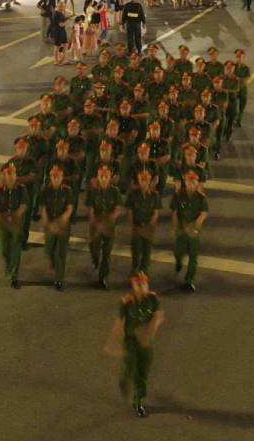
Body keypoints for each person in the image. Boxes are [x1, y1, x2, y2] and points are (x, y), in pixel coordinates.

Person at [107, 272, 164, 418]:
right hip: (130, 341)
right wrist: (114, 342)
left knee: (142, 372)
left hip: (145, 342)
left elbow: (158, 317)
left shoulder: (152, 299)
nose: (143, 286)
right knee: (129, 366)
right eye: (139, 284)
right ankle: (124, 380)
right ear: (133, 285)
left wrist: (149, 333)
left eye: (145, 283)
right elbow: (120, 324)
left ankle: (138, 401)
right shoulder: (127, 302)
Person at [85, 164, 125, 288]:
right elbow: (90, 210)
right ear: (98, 177)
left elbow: (119, 208)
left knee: (107, 253)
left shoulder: (114, 192)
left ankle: (103, 278)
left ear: (110, 178)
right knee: (94, 248)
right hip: (95, 224)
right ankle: (95, 259)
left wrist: (111, 218)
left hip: (109, 225)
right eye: (101, 176)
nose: (103, 178)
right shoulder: (92, 192)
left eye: (106, 176)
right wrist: (95, 225)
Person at [37, 164, 75, 290]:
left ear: (62, 177)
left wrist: (61, 221)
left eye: (58, 176)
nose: (56, 179)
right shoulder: (45, 190)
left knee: (61, 253)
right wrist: (48, 224)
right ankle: (53, 262)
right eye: (53, 176)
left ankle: (59, 279)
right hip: (50, 224)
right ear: (50, 177)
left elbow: (69, 208)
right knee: (49, 249)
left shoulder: (67, 190)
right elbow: (43, 209)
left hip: (63, 225)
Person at [171, 169, 209, 292]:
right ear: (185, 182)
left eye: (194, 181)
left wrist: (194, 226)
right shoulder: (178, 195)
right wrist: (176, 227)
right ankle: (178, 262)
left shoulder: (201, 198)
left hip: (194, 232)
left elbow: (204, 213)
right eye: (189, 181)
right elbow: (175, 212)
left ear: (197, 183)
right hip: (181, 230)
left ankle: (189, 280)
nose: (192, 184)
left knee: (193, 257)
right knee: (178, 252)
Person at [0, 162, 26, 289]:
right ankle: (10, 266)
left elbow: (23, 205)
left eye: (11, 173)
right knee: (4, 249)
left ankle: (13, 276)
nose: (10, 176)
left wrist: (15, 216)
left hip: (15, 223)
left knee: (15, 249)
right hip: (4, 223)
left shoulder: (21, 189)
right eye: (6, 174)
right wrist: (0, 217)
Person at [125, 169, 162, 274]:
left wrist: (150, 225)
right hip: (137, 226)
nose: (144, 182)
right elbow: (130, 211)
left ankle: (144, 272)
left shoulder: (155, 195)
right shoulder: (133, 195)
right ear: (138, 180)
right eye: (142, 180)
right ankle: (134, 271)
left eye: (146, 180)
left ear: (150, 180)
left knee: (146, 251)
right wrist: (132, 226)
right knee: (136, 251)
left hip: (148, 227)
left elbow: (156, 212)